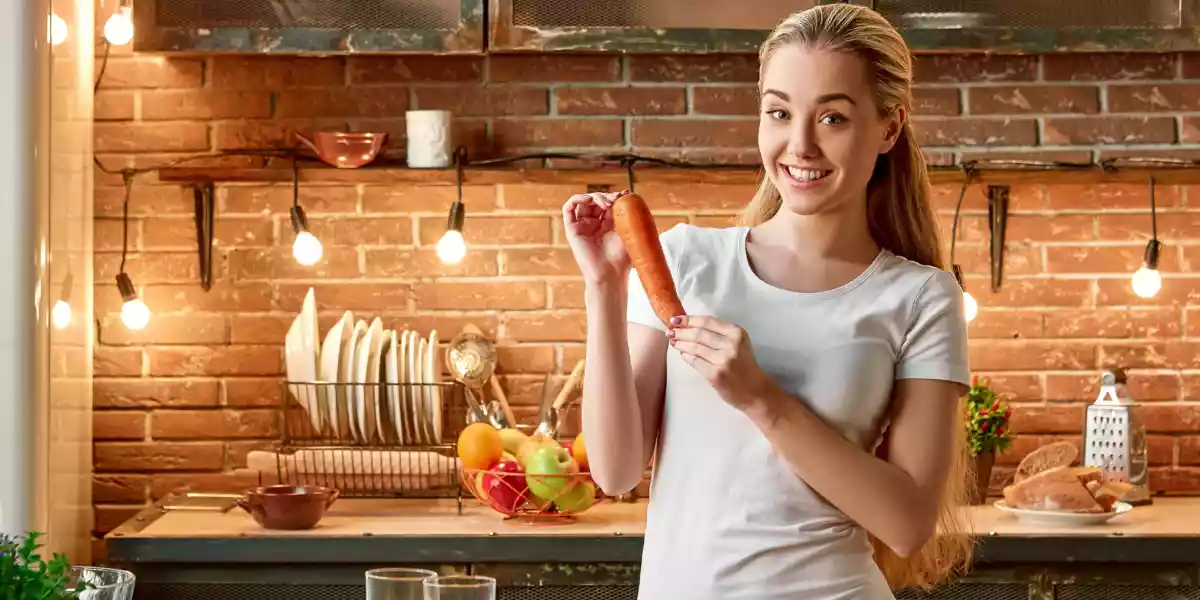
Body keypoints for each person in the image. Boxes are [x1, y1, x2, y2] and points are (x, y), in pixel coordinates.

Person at [562, 4, 975, 600]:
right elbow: (616, 471)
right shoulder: (683, 261)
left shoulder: (921, 297)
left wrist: (763, 399)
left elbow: (908, 524)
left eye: (832, 117)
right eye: (779, 112)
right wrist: (603, 288)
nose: (800, 144)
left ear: (888, 128)